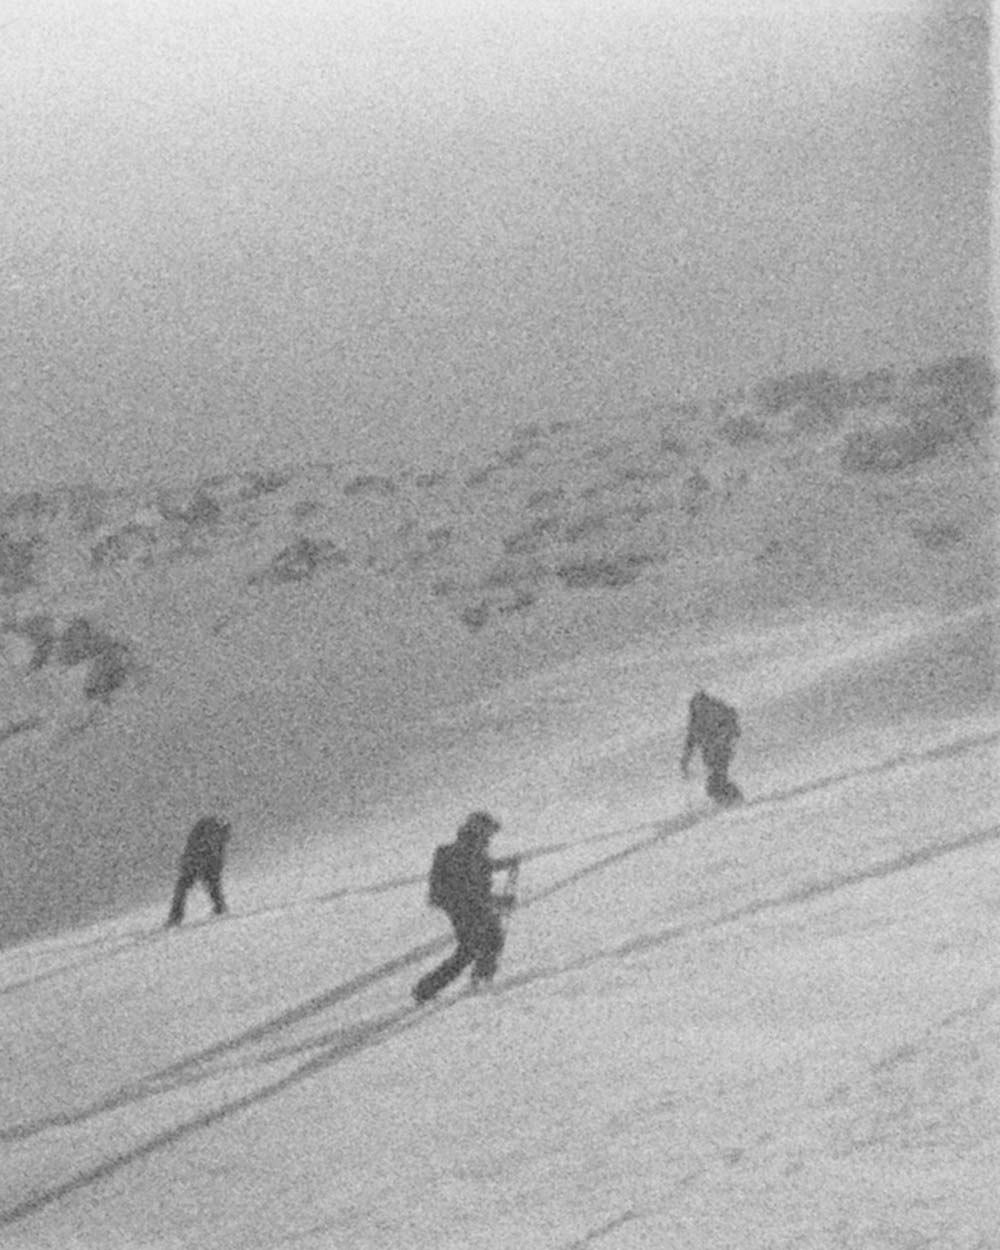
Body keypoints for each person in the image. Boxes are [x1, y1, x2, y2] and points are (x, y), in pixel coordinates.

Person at [412, 811, 520, 1003]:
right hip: (463, 906)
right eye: (489, 831)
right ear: (480, 829)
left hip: (462, 905)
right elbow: (470, 889)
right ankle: (427, 989)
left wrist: (506, 863)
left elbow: (483, 867)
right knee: (472, 948)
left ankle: (478, 979)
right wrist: (499, 901)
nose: (491, 836)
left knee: (488, 938)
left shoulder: (470, 846)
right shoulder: (467, 849)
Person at [166, 814, 232, 927]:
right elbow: (216, 849)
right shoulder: (210, 830)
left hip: (198, 860)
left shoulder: (208, 830)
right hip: (200, 860)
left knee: (206, 884)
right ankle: (219, 908)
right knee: (210, 884)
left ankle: (176, 917)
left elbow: (215, 849)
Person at [680, 689, 743, 804]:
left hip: (721, 750)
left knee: (715, 781)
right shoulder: (696, 720)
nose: (699, 708)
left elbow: (731, 724)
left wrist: (726, 737)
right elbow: (691, 740)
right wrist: (685, 760)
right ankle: (731, 800)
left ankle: (733, 800)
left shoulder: (716, 711)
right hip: (710, 753)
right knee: (716, 780)